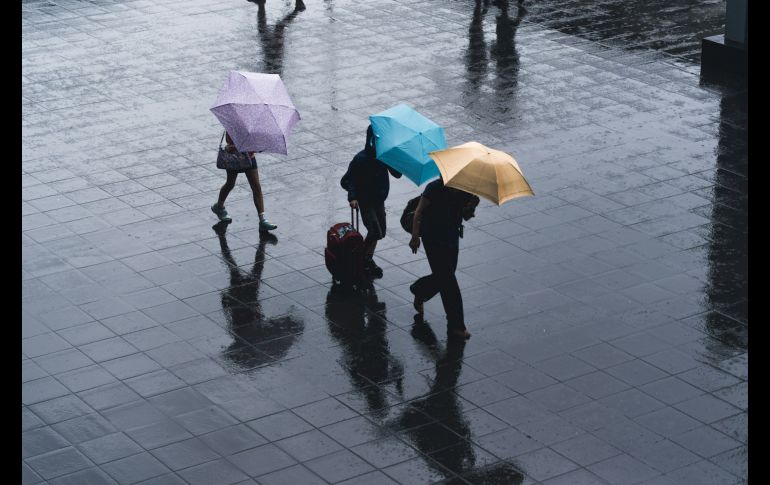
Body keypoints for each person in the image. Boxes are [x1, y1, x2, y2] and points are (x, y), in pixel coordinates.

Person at [408, 179, 480, 340]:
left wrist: (472, 205)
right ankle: (456, 325)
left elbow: (465, 216)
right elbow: (419, 212)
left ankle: (420, 289)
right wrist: (415, 236)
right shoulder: (434, 188)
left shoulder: (465, 190)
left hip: (451, 238)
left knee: (445, 276)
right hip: (432, 238)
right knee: (448, 281)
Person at [341, 125, 402, 278]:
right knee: (375, 231)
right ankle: (360, 258)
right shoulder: (361, 159)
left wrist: (393, 159)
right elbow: (348, 180)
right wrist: (353, 197)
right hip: (366, 202)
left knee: (380, 232)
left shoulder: (384, 157)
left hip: (379, 200)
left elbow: (397, 174)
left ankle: (367, 258)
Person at [211, 131, 278, 232]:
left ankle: (262, 220)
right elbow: (229, 139)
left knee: (256, 188)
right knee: (230, 184)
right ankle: (219, 206)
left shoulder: (253, 125)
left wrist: (258, 147)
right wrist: (232, 146)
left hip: (249, 158)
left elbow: (256, 142)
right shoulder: (233, 122)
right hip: (235, 157)